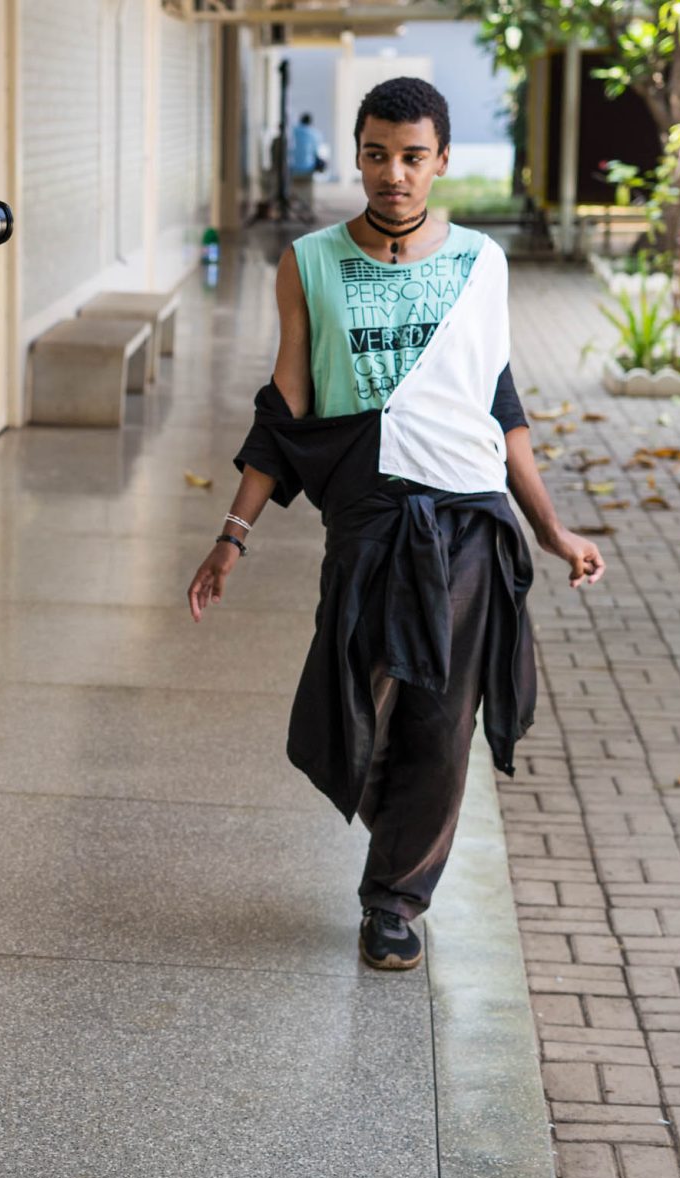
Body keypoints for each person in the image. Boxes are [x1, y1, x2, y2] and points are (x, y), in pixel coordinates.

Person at [186, 78, 604, 973]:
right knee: (358, 702)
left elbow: (501, 403)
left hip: (467, 515)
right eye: (377, 154)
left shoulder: (483, 264)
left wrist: (551, 529)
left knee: (439, 720)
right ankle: (397, 839)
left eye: (414, 157)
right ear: (359, 154)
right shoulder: (308, 262)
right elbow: (288, 404)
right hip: (370, 517)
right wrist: (234, 534)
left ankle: (394, 901)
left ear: (442, 161)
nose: (394, 174)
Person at [288, 111, 324, 221]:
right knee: (308, 189)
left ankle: (294, 208)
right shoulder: (315, 134)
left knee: (294, 188)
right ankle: (308, 209)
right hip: (308, 169)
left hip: (293, 169)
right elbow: (316, 152)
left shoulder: (293, 131)